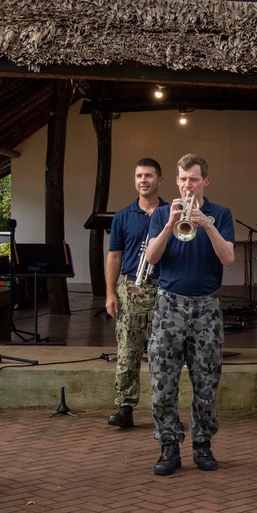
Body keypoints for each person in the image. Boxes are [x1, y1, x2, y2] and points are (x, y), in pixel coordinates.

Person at [145, 153, 234, 475]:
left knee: (206, 383)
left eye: (193, 179)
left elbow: (227, 258)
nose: (186, 185)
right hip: (169, 305)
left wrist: (206, 224)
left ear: (205, 181)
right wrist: (170, 223)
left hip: (206, 306)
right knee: (162, 383)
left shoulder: (221, 214)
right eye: (182, 179)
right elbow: (152, 258)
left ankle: (202, 444)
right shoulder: (160, 215)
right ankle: (169, 447)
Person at [105, 158, 168, 429]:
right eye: (139, 176)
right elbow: (114, 256)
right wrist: (110, 293)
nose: (143, 180)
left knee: (163, 352)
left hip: (163, 288)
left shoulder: (170, 212)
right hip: (131, 288)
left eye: (149, 176)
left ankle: (163, 408)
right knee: (127, 352)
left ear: (159, 180)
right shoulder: (122, 216)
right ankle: (125, 408)